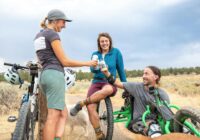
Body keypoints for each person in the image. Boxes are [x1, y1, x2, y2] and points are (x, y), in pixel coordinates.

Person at [34, 9, 97, 140]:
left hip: (44, 76)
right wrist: (88, 63)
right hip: (54, 75)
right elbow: (65, 61)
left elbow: (41, 60)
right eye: (63, 22)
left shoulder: (39, 36)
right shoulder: (52, 35)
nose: (64, 25)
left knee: (63, 114)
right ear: (55, 20)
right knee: (53, 116)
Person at [70, 32, 127, 140]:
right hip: (96, 82)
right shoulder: (95, 54)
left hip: (109, 82)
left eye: (106, 41)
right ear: (99, 43)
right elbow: (92, 69)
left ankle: (81, 103)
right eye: (102, 41)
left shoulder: (116, 52)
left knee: (108, 90)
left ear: (109, 42)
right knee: (91, 108)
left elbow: (121, 70)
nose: (104, 43)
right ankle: (99, 134)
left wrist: (126, 87)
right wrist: (95, 66)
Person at [101, 65, 170, 138]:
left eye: (146, 74)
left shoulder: (162, 94)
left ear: (156, 77)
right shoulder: (136, 87)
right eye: (143, 73)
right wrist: (106, 73)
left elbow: (167, 114)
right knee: (155, 132)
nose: (143, 76)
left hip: (155, 122)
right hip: (139, 121)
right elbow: (117, 83)